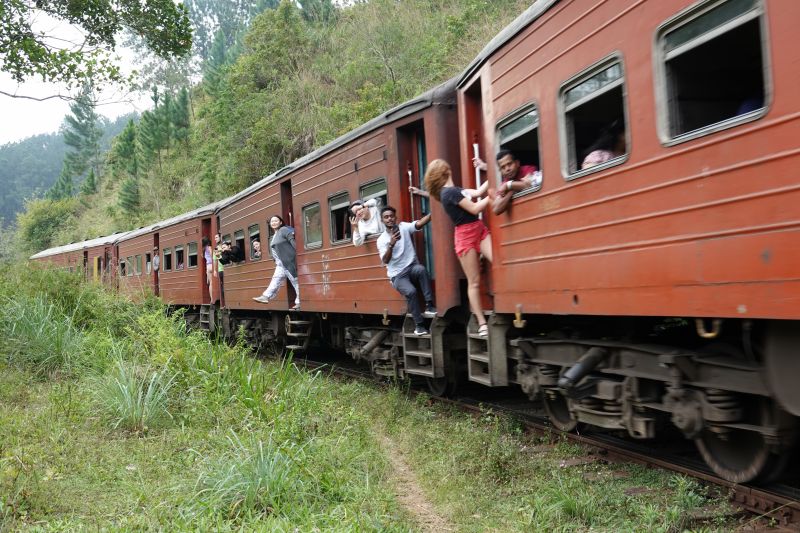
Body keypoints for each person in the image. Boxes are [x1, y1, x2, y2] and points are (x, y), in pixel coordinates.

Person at [424, 159, 492, 337]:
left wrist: (492, 171)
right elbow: (475, 208)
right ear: (446, 171)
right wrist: (494, 194)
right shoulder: (449, 193)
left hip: (478, 230)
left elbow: (478, 192)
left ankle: (483, 321)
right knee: (474, 281)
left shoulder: (454, 191)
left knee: (496, 261)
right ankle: (482, 323)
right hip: (466, 236)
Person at [376, 206, 436, 335]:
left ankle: (430, 305)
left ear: (395, 218)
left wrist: (433, 212)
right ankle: (419, 326)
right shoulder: (381, 240)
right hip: (397, 276)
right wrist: (391, 244)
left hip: (411, 268)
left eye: (391, 216)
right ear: (382, 220)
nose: (389, 219)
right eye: (386, 217)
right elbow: (385, 261)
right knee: (411, 291)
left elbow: (419, 224)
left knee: (421, 270)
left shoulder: (403, 227)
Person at [253, 215, 300, 310]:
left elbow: (292, 241)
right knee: (276, 279)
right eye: (272, 221)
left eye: (276, 221)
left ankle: (299, 302)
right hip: (280, 263)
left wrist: (298, 254)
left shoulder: (284, 230)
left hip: (288, 261)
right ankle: (265, 296)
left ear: (280, 222)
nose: (273, 223)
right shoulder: (275, 235)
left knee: (295, 281)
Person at [473, 149, 540, 215]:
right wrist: (511, 191)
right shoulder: (505, 183)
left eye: (509, 164)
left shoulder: (528, 169)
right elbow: (496, 209)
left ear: (517, 163)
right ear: (500, 171)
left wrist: (508, 186)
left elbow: (530, 184)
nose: (507, 169)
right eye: (503, 167)